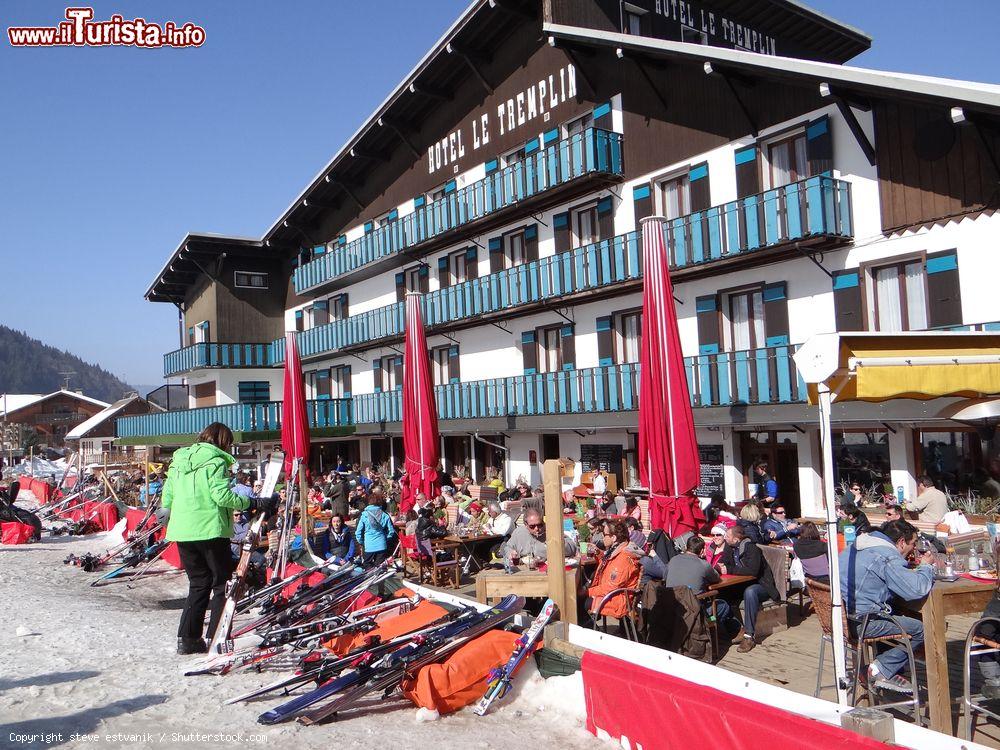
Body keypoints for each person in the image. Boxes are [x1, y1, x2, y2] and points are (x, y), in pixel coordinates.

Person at [162, 422, 276, 655]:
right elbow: (221, 496)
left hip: (182, 531)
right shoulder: (215, 461)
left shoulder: (179, 460)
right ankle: (216, 636)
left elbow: (167, 496)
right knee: (221, 585)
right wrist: (252, 502)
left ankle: (188, 638)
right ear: (223, 441)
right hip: (210, 529)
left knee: (198, 583)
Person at [839, 520, 935, 694]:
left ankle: (890, 670)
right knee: (922, 628)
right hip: (862, 622)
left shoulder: (857, 545)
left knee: (899, 614)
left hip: (841, 619)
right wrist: (926, 566)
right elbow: (916, 589)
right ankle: (877, 670)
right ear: (901, 542)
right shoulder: (887, 555)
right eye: (913, 544)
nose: (914, 548)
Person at [717, 525, 780, 653]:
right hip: (741, 584)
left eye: (727, 536)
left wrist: (729, 569)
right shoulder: (730, 547)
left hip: (761, 585)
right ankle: (736, 629)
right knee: (720, 593)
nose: (725, 538)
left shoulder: (752, 549)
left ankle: (749, 636)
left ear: (736, 539)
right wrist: (721, 565)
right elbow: (723, 561)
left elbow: (753, 571)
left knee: (750, 592)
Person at [586, 519, 642, 622]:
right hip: (615, 594)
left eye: (605, 534)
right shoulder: (620, 550)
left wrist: (587, 592)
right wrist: (599, 554)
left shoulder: (623, 558)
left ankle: (593, 633)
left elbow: (611, 586)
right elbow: (609, 567)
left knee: (582, 602)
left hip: (618, 600)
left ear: (614, 537)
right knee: (583, 596)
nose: (603, 537)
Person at [503, 507, 577, 563]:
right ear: (526, 525)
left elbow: (573, 547)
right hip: (525, 571)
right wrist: (510, 552)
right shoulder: (519, 532)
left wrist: (559, 544)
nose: (536, 529)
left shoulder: (552, 531)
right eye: (532, 526)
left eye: (539, 525)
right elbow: (507, 547)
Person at [355, 494, 397, 566]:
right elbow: (391, 531)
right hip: (381, 544)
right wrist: (386, 539)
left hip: (368, 544)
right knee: (380, 567)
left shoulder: (364, 515)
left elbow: (358, 533)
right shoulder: (384, 514)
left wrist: (362, 542)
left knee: (368, 567)